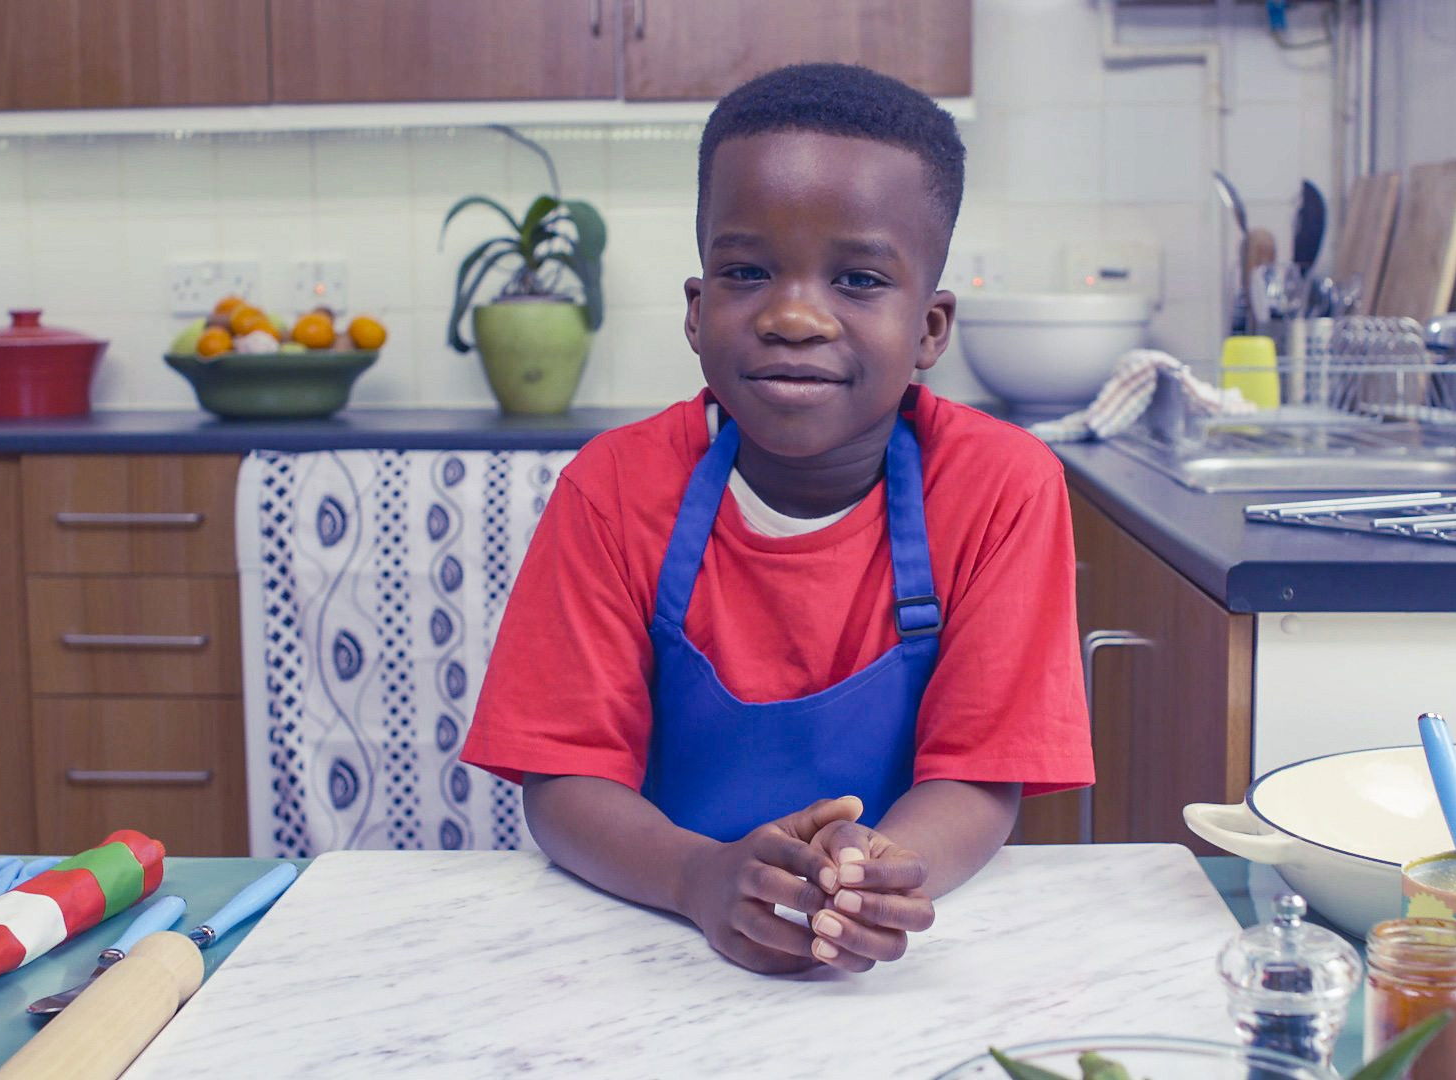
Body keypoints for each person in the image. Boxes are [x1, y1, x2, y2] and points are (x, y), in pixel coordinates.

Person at [464, 62, 1093, 976]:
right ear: (697, 308)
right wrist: (699, 879)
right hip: (648, 936)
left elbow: (980, 772)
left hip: (894, 950)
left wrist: (871, 875)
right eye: (748, 271)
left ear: (930, 328)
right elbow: (564, 782)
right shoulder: (613, 487)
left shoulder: (1003, 488)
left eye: (860, 279)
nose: (795, 315)